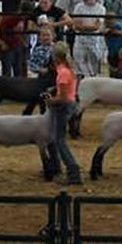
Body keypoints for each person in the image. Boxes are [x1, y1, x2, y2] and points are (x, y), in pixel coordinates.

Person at [44, 42, 83, 185]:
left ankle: (73, 171)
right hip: (69, 105)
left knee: (59, 140)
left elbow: (63, 98)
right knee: (56, 139)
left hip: (63, 107)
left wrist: (50, 101)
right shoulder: (68, 70)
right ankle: (61, 169)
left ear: (55, 57)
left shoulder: (62, 73)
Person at [70, 0, 107, 77]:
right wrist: (87, 27)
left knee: (94, 61)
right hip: (80, 39)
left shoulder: (101, 9)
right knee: (79, 60)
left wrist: (83, 27)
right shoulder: (78, 7)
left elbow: (97, 26)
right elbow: (76, 25)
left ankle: (93, 79)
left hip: (95, 40)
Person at [0, 0, 31, 78]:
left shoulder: (23, 19)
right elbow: (3, 31)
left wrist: (22, 42)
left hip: (17, 46)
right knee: (7, 70)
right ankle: (8, 88)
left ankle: (17, 87)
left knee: (18, 69)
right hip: (9, 46)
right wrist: (4, 43)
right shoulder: (12, 18)